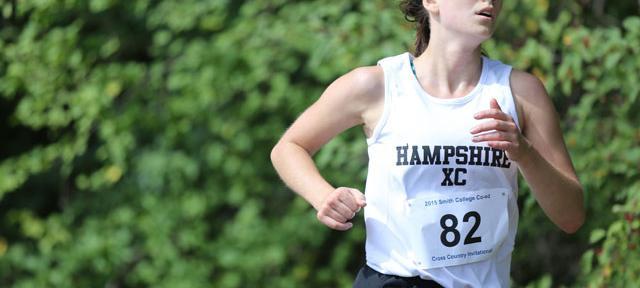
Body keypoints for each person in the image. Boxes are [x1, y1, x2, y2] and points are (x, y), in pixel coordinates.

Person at [270, 0, 586, 287]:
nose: (490, 1)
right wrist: (324, 196)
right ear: (431, 2)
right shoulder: (377, 84)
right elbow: (289, 147)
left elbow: (571, 216)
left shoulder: (521, 92)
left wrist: (525, 154)